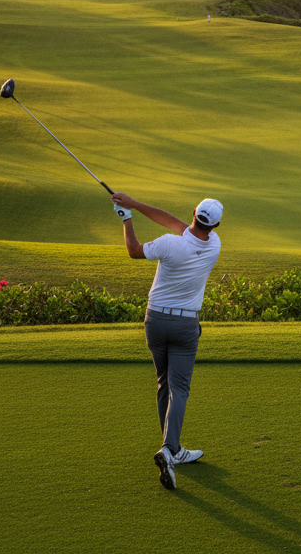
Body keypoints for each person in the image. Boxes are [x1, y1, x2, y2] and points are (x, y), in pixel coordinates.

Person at [111, 191, 223, 490]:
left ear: (194, 212)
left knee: (164, 383)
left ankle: (172, 448)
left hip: (156, 321)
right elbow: (177, 224)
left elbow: (134, 250)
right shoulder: (214, 245)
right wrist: (134, 204)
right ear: (216, 225)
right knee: (180, 388)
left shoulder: (169, 243)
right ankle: (171, 449)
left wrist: (127, 216)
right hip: (185, 325)